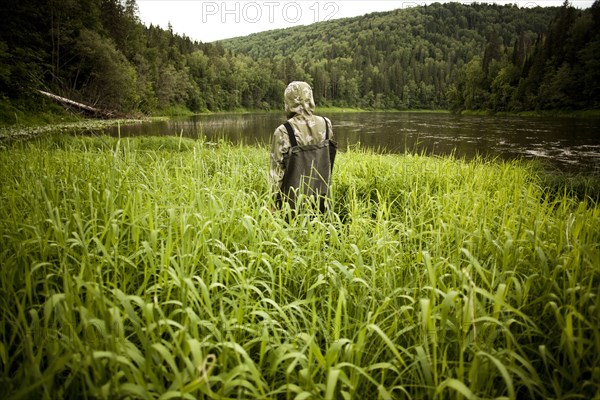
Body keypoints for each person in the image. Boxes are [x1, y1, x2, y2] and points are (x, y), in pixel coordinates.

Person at [269, 81, 336, 213]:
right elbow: (328, 161)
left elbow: (276, 173)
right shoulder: (326, 124)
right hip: (322, 200)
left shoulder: (283, 131)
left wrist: (273, 204)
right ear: (310, 98)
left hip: (292, 207)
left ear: (288, 102)